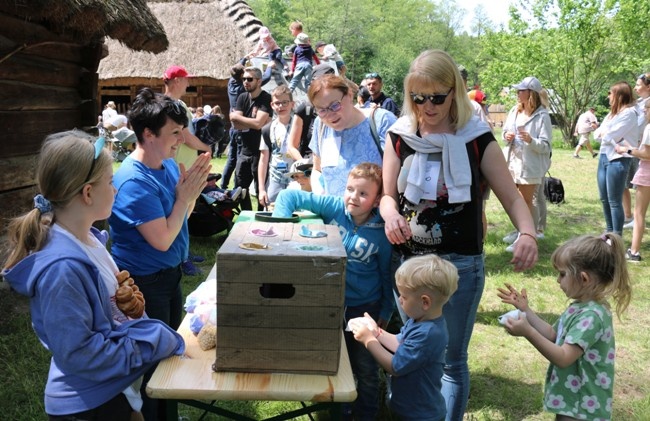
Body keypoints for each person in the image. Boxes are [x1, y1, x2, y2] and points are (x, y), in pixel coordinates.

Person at [380, 49, 538, 421]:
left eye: (437, 96)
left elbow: (512, 197)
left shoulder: (476, 139)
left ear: (456, 91)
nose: (428, 106)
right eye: (418, 97)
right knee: (410, 346)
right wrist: (389, 217)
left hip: (460, 268)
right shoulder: (400, 135)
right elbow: (388, 197)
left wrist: (527, 233)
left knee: (451, 360)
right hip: (408, 267)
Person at [2, 131, 185, 420]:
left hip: (113, 391)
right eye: (110, 183)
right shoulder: (62, 270)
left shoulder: (88, 240)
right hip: (88, 406)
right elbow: (80, 354)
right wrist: (150, 343)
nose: (115, 190)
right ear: (88, 193)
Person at [109, 88, 211, 420]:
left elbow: (182, 213)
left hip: (168, 275)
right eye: (175, 132)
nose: (181, 139)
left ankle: (168, 415)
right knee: (154, 363)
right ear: (148, 134)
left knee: (170, 354)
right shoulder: (133, 182)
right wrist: (184, 198)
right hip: (145, 283)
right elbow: (163, 239)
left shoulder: (165, 164)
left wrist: (190, 194)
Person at [273, 162, 394, 420]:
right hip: (329, 303)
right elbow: (288, 195)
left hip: (365, 308)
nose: (354, 197)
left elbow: (387, 275)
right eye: (350, 189)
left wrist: (385, 310)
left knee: (366, 366)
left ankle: (366, 413)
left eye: (363, 193)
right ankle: (340, 408)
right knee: (336, 359)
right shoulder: (335, 208)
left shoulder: (382, 233)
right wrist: (281, 234)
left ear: (376, 201)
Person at [497, 233, 632, 421]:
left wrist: (527, 332)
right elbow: (553, 334)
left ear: (584, 279)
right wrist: (525, 311)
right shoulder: (579, 307)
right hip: (574, 400)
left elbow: (564, 358)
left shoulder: (591, 316)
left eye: (562, 274)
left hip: (583, 406)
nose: (557, 280)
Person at [350, 254, 458, 421]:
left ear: (425, 302)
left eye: (404, 296)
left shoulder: (428, 334)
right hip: (408, 408)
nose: (399, 300)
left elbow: (395, 366)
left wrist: (368, 341)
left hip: (420, 415)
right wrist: (377, 332)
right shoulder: (419, 321)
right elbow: (400, 344)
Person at [308, 74, 397, 196]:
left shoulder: (382, 121)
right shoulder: (321, 125)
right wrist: (322, 201)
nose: (330, 115)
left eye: (335, 105)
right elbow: (317, 170)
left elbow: (398, 175)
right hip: (332, 212)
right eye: (322, 110)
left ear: (350, 95)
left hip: (375, 213)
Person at [163, 64, 211, 276]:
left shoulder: (178, 103)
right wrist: (206, 146)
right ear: (176, 81)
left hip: (183, 165)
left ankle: (184, 251)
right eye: (185, 79)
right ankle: (181, 259)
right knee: (179, 210)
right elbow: (186, 137)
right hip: (177, 165)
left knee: (186, 209)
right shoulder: (170, 105)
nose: (189, 83)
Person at [501, 76, 552, 251]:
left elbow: (546, 146)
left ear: (531, 93)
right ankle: (520, 231)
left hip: (530, 166)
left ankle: (528, 236)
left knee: (525, 201)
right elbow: (505, 131)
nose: (517, 93)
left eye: (521, 90)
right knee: (515, 200)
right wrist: (506, 136)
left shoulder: (542, 116)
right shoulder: (514, 111)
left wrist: (531, 140)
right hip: (513, 162)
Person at [594, 81, 640, 235]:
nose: (608, 97)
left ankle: (616, 236)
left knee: (614, 200)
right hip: (604, 156)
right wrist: (605, 133)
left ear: (619, 96)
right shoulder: (612, 114)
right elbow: (597, 135)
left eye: (610, 93)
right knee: (604, 198)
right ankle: (609, 231)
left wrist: (605, 133)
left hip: (618, 159)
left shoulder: (629, 113)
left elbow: (609, 136)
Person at [230, 66, 273, 211]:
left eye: (249, 79)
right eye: (244, 79)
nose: (245, 82)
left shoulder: (266, 98)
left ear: (259, 81)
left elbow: (259, 123)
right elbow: (235, 125)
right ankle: (247, 215)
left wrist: (238, 117)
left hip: (261, 151)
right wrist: (250, 122)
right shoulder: (242, 97)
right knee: (240, 188)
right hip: (244, 150)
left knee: (260, 189)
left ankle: (261, 217)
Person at [615, 99, 650, 261]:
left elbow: (647, 155)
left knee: (639, 213)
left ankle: (634, 252)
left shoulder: (649, 128)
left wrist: (626, 149)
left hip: (647, 174)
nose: (644, 112)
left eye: (646, 109)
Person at [286, 63, 336, 162]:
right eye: (319, 82)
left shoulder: (340, 108)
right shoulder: (305, 109)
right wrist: (303, 164)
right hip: (308, 164)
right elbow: (292, 146)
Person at [258, 85, 296, 208]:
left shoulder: (299, 126)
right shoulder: (267, 129)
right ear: (272, 105)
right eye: (277, 103)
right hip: (275, 179)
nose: (281, 106)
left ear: (292, 104)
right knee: (272, 215)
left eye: (285, 103)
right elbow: (263, 160)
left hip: (296, 179)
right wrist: (262, 189)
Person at [623, 72, 650, 229]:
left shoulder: (647, 106)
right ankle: (631, 217)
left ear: (648, 87)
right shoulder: (638, 103)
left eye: (639, 85)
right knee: (630, 184)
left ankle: (636, 218)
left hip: (641, 150)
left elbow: (640, 127)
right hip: (636, 148)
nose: (635, 88)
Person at [221, 59, 248, 187]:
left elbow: (236, 69)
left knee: (231, 158)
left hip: (233, 128)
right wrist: (270, 68)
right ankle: (238, 184)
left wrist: (245, 58)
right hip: (240, 128)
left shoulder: (230, 82)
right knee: (238, 158)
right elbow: (263, 79)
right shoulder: (243, 88)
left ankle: (224, 184)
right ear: (242, 76)